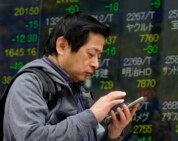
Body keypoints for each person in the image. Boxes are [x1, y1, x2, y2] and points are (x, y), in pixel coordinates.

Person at [3, 11, 139, 141]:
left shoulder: (76, 87)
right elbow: (31, 137)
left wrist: (113, 134)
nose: (96, 64)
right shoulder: (29, 82)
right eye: (91, 54)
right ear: (62, 46)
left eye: (99, 57)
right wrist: (92, 115)